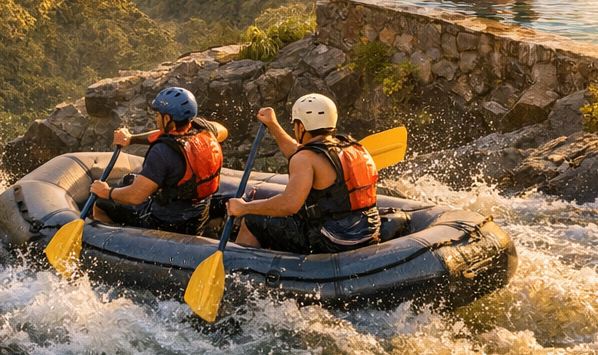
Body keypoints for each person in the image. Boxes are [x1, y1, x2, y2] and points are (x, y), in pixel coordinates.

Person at [227, 94, 381, 255]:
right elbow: (299, 152)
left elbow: (289, 205)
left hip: (333, 240)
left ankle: (241, 269)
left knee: (252, 220)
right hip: (368, 230)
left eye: (295, 124)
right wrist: (273, 124)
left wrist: (244, 208)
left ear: (301, 127)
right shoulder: (351, 147)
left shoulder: (305, 159)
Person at [88, 87, 229, 235]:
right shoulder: (205, 131)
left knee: (101, 204)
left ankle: (116, 242)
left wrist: (106, 192)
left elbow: (135, 196)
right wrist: (132, 139)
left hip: (166, 222)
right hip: (199, 215)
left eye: (158, 114)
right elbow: (222, 130)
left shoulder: (161, 152)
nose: (156, 118)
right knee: (130, 179)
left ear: (167, 119)